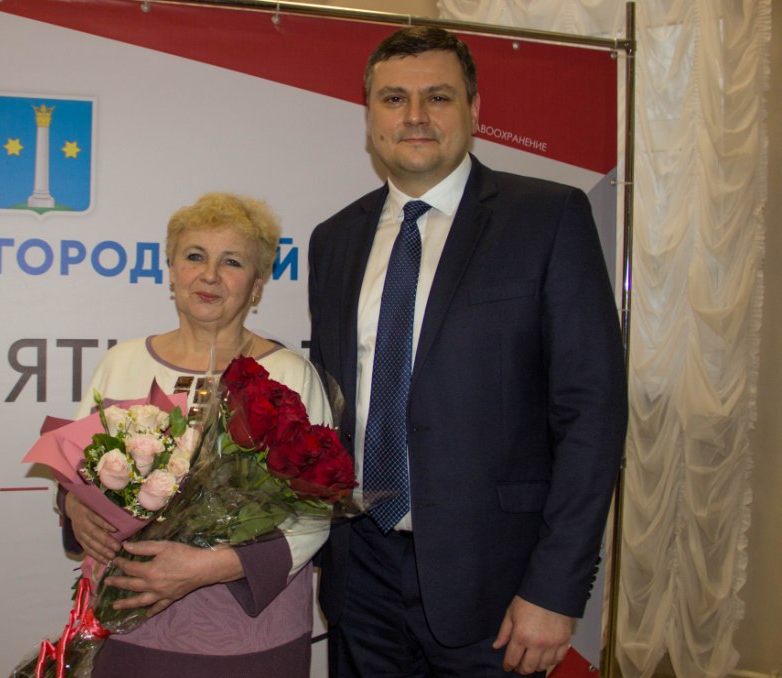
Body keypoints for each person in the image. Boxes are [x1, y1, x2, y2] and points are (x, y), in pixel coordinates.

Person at [308, 26, 628, 677]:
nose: (415, 116)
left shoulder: (548, 219)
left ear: (475, 109)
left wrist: (555, 587)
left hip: (498, 589)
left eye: (438, 97)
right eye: (394, 99)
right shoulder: (334, 239)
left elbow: (591, 414)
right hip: (359, 578)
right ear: (369, 118)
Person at [59, 192, 331, 678]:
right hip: (124, 625)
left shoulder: (290, 375)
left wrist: (210, 566)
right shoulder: (121, 362)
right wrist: (75, 506)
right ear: (171, 271)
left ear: (257, 285)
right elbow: (77, 471)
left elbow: (315, 512)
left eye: (232, 262)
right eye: (194, 256)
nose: (209, 275)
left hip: (249, 639)